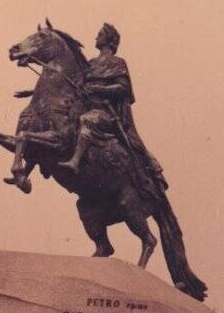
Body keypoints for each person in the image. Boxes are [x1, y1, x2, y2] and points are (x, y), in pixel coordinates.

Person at [59, 22, 168, 194]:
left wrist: (98, 89)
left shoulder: (118, 63)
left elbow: (122, 88)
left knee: (87, 120)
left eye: (100, 34)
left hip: (106, 114)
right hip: (87, 107)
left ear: (109, 41)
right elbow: (76, 86)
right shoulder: (91, 63)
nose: (96, 37)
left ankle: (75, 161)